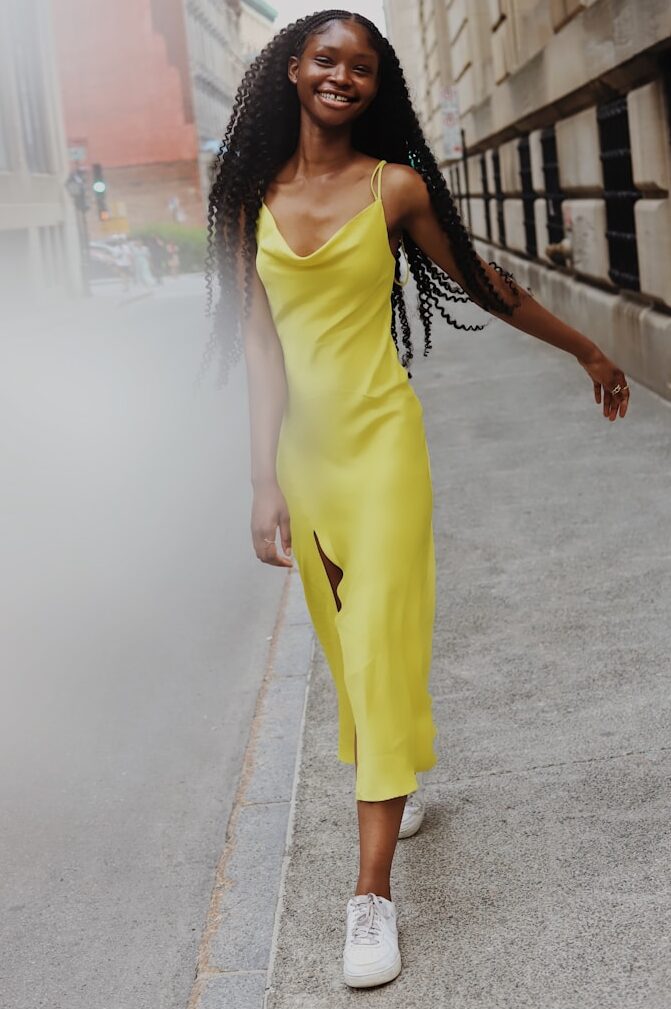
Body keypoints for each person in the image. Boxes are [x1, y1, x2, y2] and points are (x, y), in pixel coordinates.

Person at [203, 10, 630, 990]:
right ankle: (389, 772)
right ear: (290, 73)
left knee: (381, 641)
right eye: (324, 60)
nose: (341, 77)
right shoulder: (243, 204)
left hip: (382, 448)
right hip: (305, 462)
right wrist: (261, 478)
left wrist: (589, 349)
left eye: (361, 66)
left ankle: (370, 895)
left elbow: (481, 282)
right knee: (347, 651)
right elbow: (261, 349)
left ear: (374, 84)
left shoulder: (392, 188)